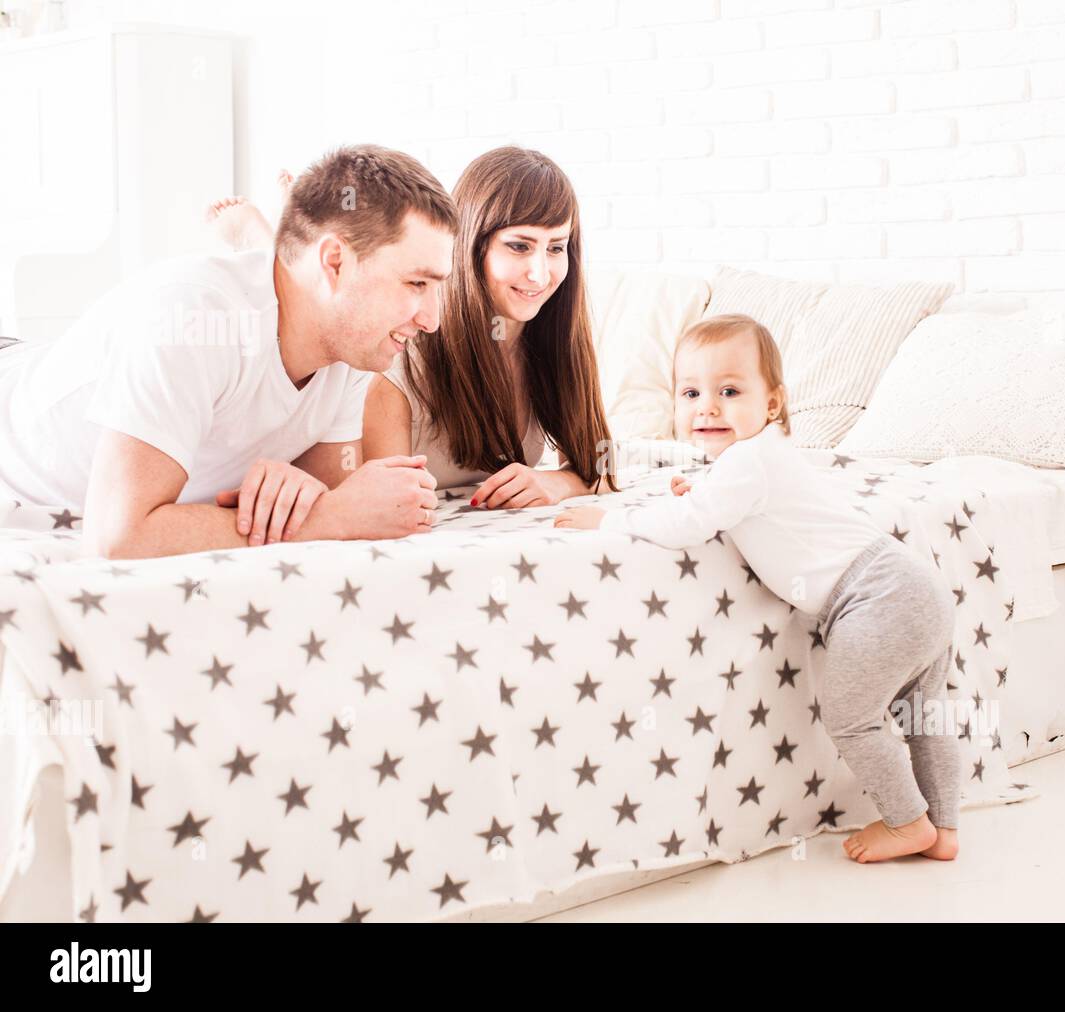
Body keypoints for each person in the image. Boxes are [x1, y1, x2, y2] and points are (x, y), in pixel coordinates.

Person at [555, 314, 961, 863]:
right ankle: (945, 828)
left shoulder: (746, 461)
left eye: (729, 391)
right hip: (914, 586)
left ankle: (908, 822)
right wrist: (703, 487)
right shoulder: (757, 457)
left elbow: (689, 525)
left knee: (853, 718)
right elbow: (746, 500)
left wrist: (608, 522)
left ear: (772, 404)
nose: (707, 407)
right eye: (691, 392)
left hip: (876, 598)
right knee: (923, 714)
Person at [0, 144, 456, 558]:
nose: (431, 320)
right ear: (334, 262)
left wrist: (315, 502)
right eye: (416, 283)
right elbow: (118, 537)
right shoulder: (190, 316)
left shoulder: (356, 347)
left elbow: (321, 495)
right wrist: (326, 517)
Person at [209, 146, 615, 508]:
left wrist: (558, 482)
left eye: (557, 247)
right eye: (519, 246)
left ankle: (275, 238)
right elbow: (395, 508)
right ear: (470, 247)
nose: (540, 274)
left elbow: (602, 463)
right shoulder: (397, 353)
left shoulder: (552, 339)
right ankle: (269, 242)